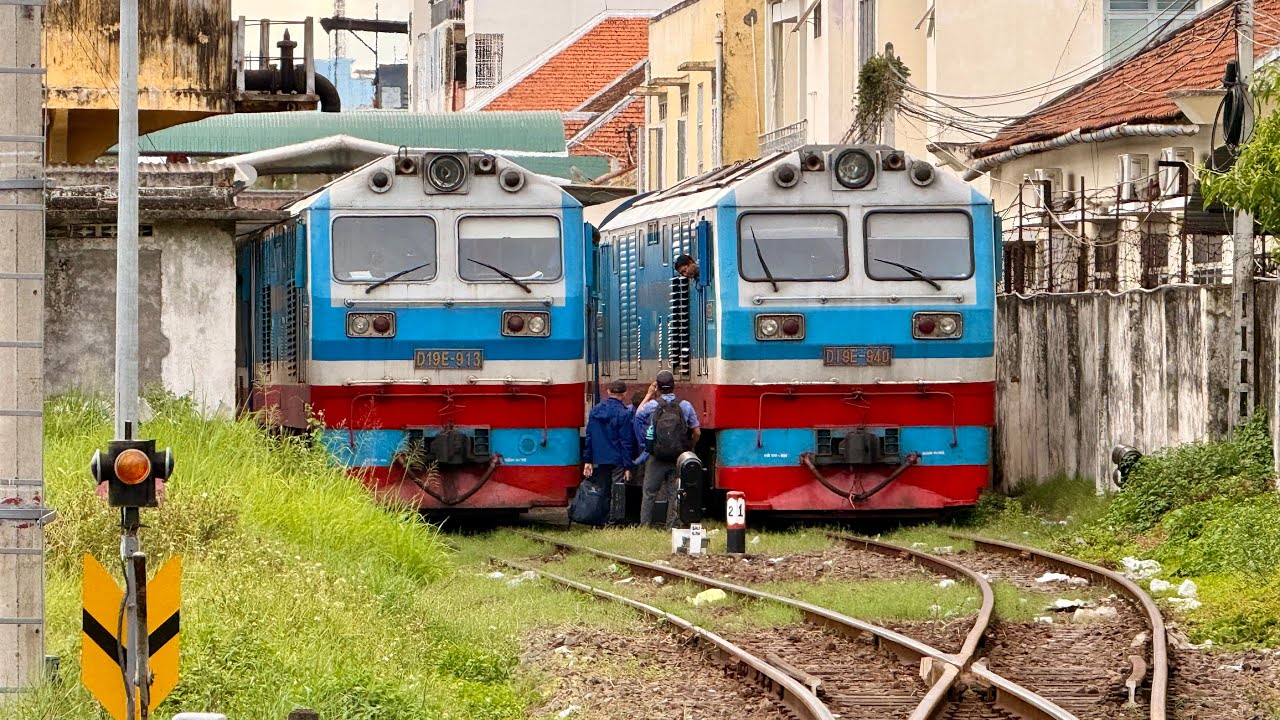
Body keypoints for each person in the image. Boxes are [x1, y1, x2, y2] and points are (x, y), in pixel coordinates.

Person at [633, 370, 701, 528]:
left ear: (657, 387)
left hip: (657, 455)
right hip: (677, 456)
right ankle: (671, 526)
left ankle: (644, 527)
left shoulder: (653, 405)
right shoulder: (685, 405)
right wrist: (689, 446)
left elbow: (638, 416)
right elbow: (697, 431)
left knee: (649, 492)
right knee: (674, 492)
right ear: (674, 386)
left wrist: (649, 394)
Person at [583, 380, 638, 521]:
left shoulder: (595, 411)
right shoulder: (624, 413)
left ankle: (599, 518)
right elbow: (626, 441)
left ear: (608, 392)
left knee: (602, 489)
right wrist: (627, 466)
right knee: (616, 490)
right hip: (617, 459)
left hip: (599, 457)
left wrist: (587, 460)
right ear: (624, 393)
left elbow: (589, 436)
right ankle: (613, 519)